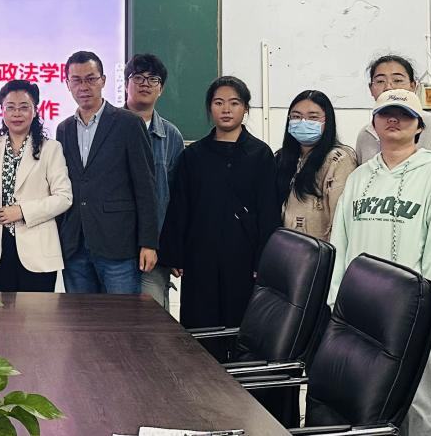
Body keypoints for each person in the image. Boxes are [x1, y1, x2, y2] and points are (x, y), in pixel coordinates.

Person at [329, 88, 431, 436]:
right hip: (362, 316)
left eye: (405, 115)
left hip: (417, 319)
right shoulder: (359, 179)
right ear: (374, 123)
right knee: (365, 402)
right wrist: (337, 303)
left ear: (419, 126)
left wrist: (427, 312)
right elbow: (340, 244)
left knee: (420, 408)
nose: (394, 120)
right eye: (386, 113)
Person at [162, 76, 278, 329]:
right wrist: (175, 254)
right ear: (210, 107)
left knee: (242, 326)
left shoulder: (260, 154)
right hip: (200, 256)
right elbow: (180, 207)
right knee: (200, 325)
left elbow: (269, 211)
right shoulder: (193, 156)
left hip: (243, 257)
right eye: (219, 103)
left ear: (245, 108)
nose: (226, 109)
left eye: (234, 103)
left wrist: (263, 260)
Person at [55, 50, 157, 294]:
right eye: (76, 80)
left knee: (121, 316)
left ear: (103, 80)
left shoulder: (128, 123)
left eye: (91, 79)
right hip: (75, 245)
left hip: (118, 244)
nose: (84, 87)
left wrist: (148, 243)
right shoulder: (63, 129)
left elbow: (145, 186)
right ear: (67, 84)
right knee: (80, 316)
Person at [0, 80, 72, 292]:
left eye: (24, 107)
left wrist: (23, 211)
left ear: (35, 111)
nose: (17, 113)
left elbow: (64, 197)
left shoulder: (50, 148)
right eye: (10, 107)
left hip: (38, 250)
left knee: (37, 312)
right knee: (2, 311)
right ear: (2, 111)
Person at [356, 54, 431, 202]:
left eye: (397, 80)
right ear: (371, 89)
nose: (388, 87)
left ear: (413, 86)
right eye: (380, 81)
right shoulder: (365, 135)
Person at [123, 53, 184, 309]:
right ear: (126, 83)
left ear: (161, 88)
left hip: (155, 250)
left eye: (153, 79)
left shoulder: (171, 136)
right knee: (110, 320)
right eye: (138, 77)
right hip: (114, 248)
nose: (145, 84)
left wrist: (174, 250)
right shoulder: (107, 128)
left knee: (152, 321)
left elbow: (178, 199)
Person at [275, 89, 358, 242]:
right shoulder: (281, 157)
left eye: (313, 117)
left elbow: (341, 220)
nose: (303, 122)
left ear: (327, 121)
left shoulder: (338, 160)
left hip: (319, 250)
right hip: (284, 248)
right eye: (296, 116)